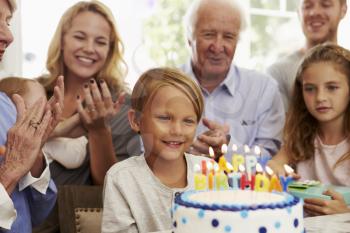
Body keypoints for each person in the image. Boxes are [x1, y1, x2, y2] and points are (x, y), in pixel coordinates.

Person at [34, 1, 141, 232]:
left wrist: (99, 130)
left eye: (100, 42)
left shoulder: (125, 107)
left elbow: (110, 191)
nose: (90, 48)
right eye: (80, 37)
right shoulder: (34, 92)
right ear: (62, 40)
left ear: (110, 50)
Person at [102, 67, 212, 233]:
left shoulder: (210, 171)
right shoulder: (121, 179)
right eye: (164, 118)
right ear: (136, 120)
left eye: (188, 121)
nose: (177, 130)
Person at [181, 0, 285, 158]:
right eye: (208, 35)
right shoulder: (162, 88)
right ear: (189, 38)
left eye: (228, 37)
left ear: (238, 41)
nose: (217, 47)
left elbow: (270, 158)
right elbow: (146, 152)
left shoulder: (264, 89)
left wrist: (228, 149)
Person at [0, 1, 65, 231]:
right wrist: (8, 175)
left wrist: (35, 153)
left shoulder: (9, 108)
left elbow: (34, 214)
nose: (8, 36)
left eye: (7, 22)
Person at [268, 43, 350, 216]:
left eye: (332, 87)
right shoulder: (301, 136)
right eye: (310, 89)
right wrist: (277, 171)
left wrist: (345, 213)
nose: (320, 97)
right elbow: (274, 164)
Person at [267, 0, 347, 110]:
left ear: (343, 9)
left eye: (325, 5)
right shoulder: (278, 73)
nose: (314, 12)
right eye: (307, 6)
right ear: (299, 12)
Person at [0, 77, 87, 169]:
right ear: (11, 114)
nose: (43, 115)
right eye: (35, 110)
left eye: (44, 109)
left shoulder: (46, 141)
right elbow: (75, 156)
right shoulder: (38, 145)